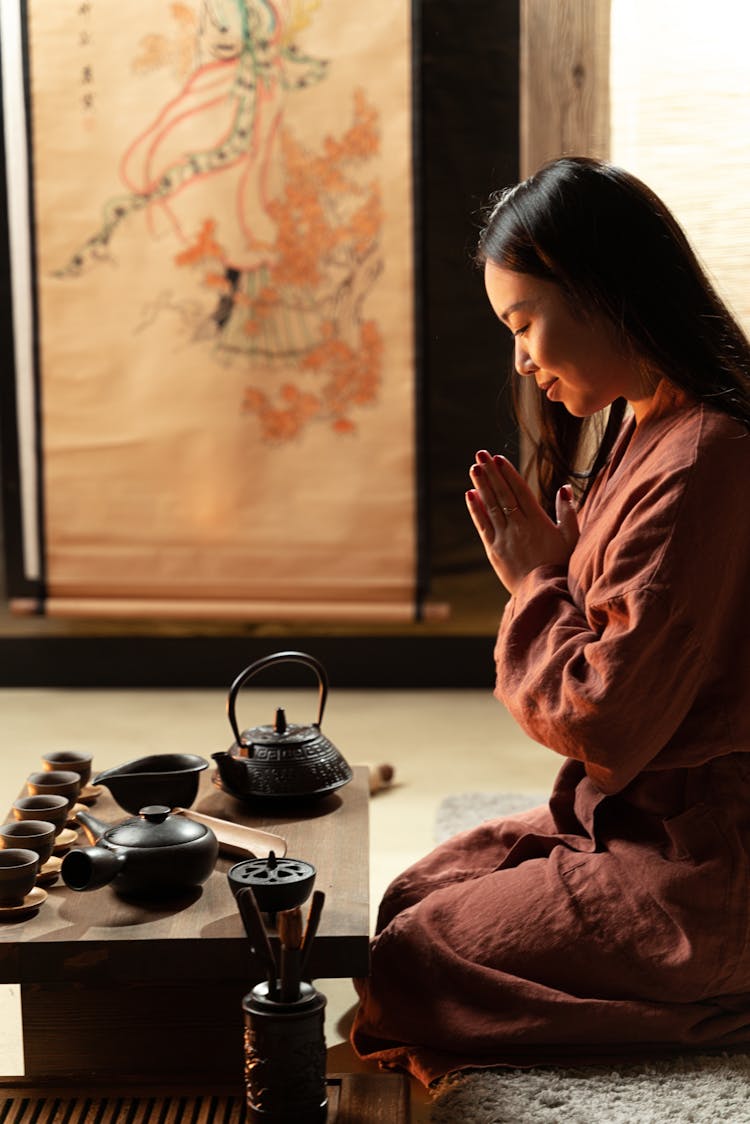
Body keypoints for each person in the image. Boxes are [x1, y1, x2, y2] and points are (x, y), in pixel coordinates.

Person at [349, 156, 750, 1085]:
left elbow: (605, 720)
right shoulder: (646, 419)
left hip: (708, 860)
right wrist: (566, 569)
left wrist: (537, 582)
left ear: (605, 294)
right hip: (631, 821)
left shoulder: (707, 458)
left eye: (525, 323)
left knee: (412, 960)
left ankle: (720, 1002)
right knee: (410, 896)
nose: (521, 359)